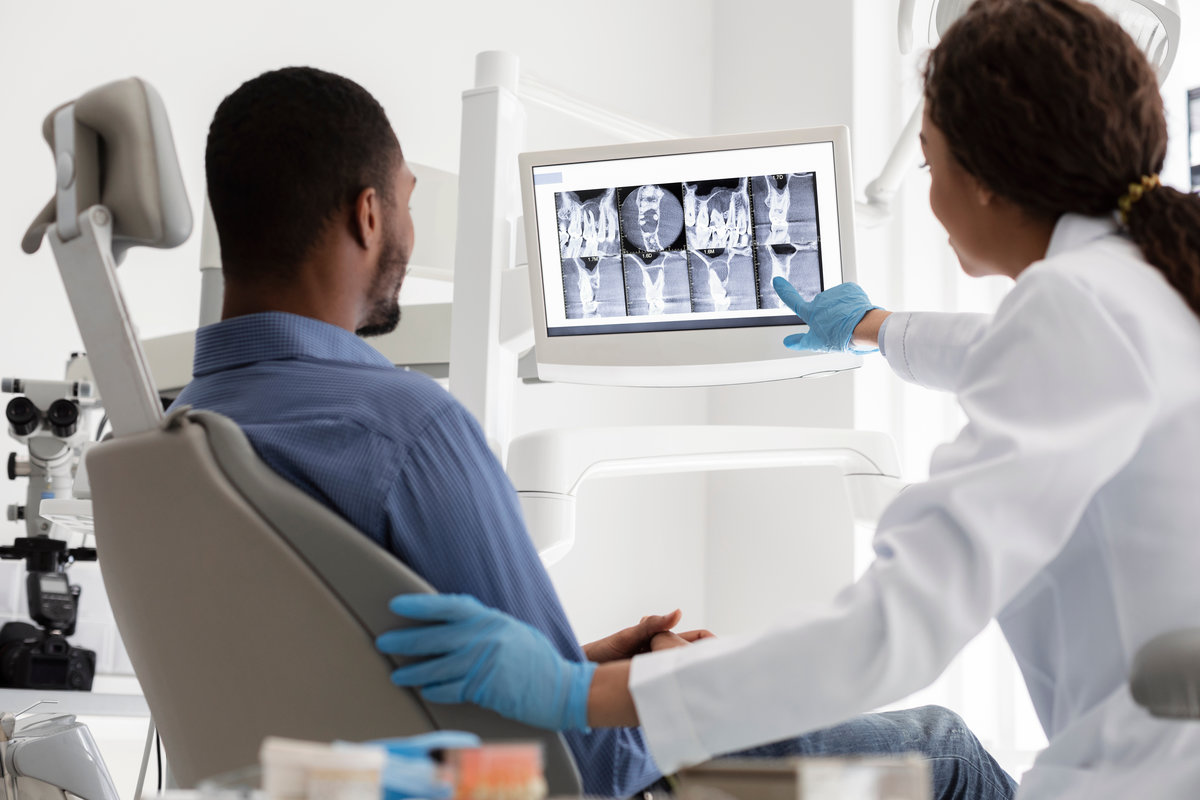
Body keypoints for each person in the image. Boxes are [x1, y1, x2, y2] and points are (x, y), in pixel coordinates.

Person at [378, 1, 1200, 797]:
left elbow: (891, 632)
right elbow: (1001, 358)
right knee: (944, 743)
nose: (925, 185)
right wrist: (870, 326)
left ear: (985, 181)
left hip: (1130, 776)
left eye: (926, 159)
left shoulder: (1073, 312)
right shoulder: (1154, 282)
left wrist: (573, 693)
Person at [173, 67, 1015, 798]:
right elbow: (585, 762)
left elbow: (343, 689)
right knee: (949, 753)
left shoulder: (179, 439)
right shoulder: (407, 432)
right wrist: (660, 682)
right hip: (600, 787)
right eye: (403, 205)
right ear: (368, 216)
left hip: (371, 785)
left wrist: (584, 668)